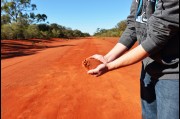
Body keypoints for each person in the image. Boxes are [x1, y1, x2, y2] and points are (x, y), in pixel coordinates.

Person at [87, 0, 179, 119]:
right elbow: (133, 27)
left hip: (173, 72)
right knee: (148, 116)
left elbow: (156, 38)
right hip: (148, 68)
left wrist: (110, 66)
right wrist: (107, 58)